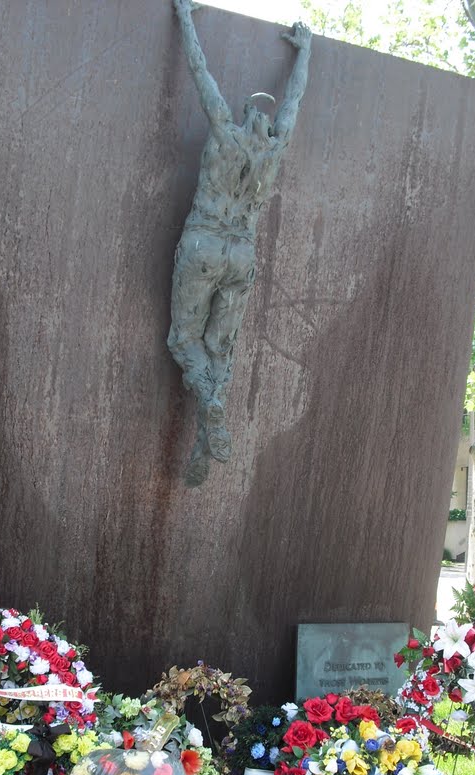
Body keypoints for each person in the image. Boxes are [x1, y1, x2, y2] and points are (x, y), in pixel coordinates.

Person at [168, 0, 312, 485]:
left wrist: (186, 17)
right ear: (268, 127)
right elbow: (293, 102)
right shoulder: (275, 148)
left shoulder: (225, 133)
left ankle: (208, 402)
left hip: (206, 241)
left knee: (184, 339)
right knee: (220, 350)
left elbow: (199, 67)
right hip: (241, 252)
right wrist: (305, 52)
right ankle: (206, 430)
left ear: (246, 112)